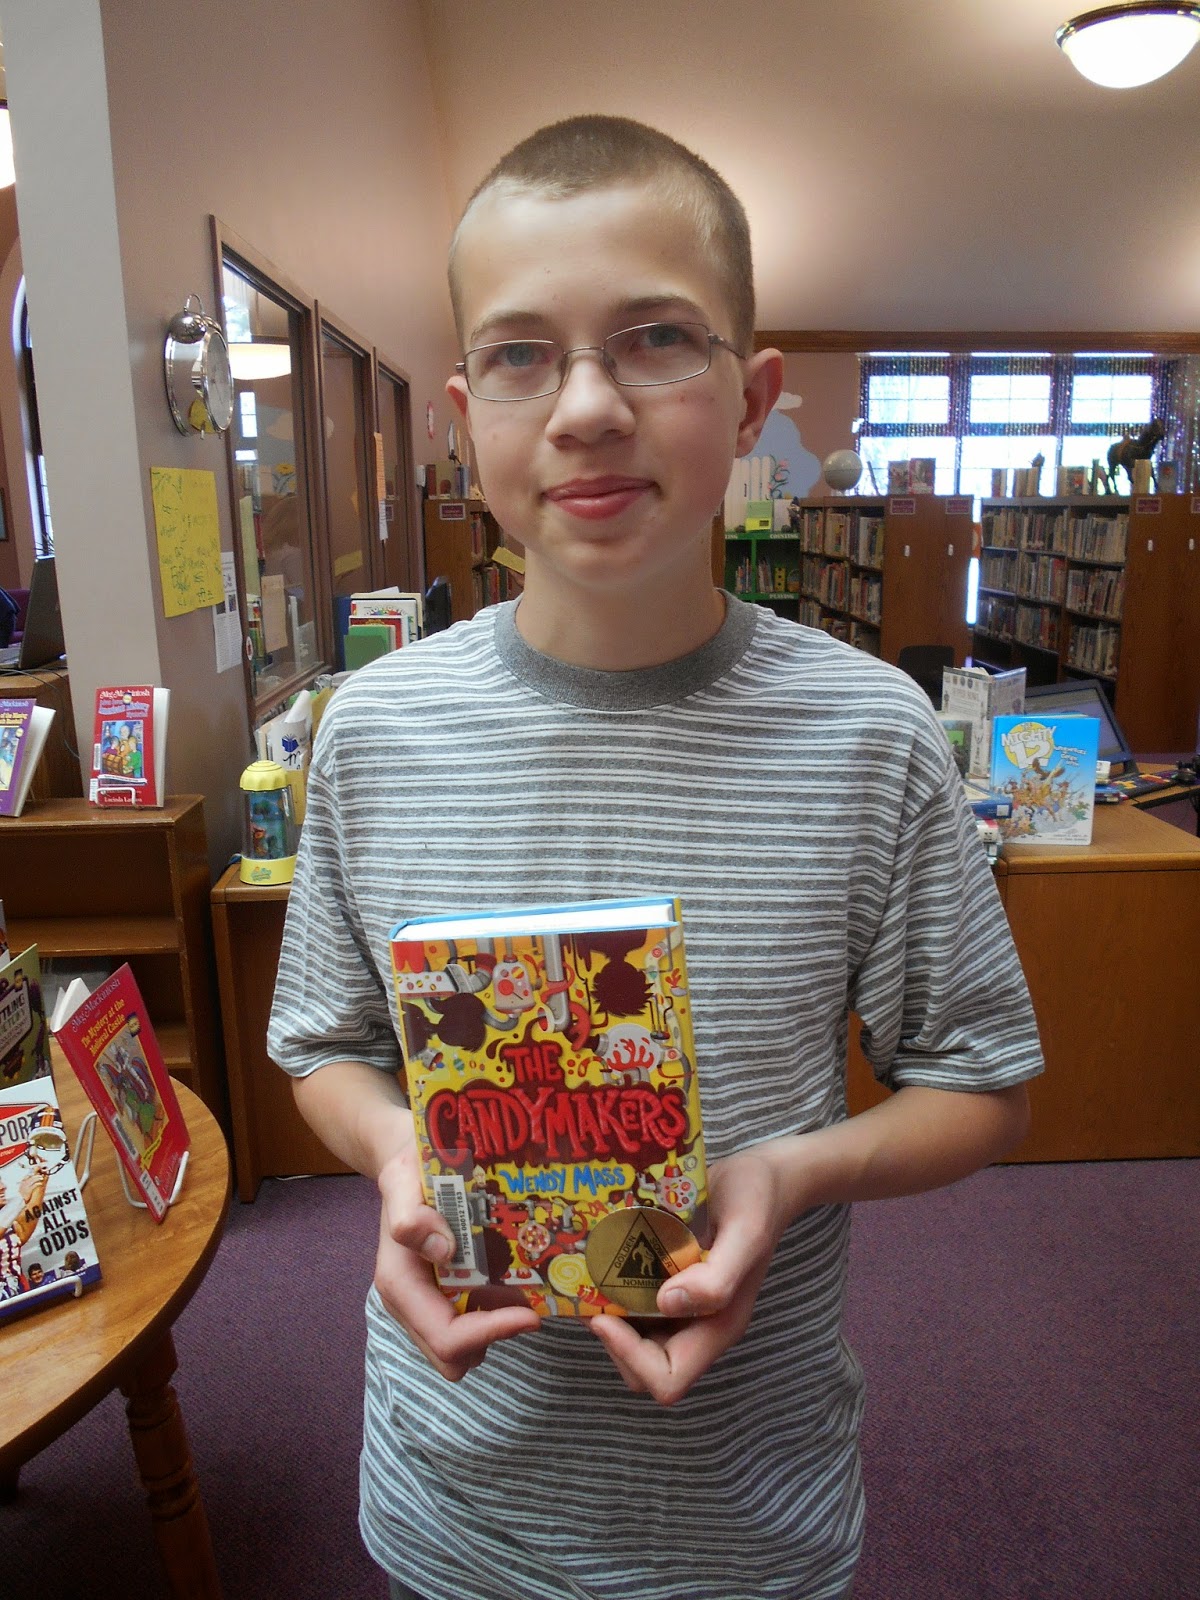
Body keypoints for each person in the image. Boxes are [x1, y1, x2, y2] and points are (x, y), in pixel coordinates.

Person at [268, 115, 1043, 1600]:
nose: (586, 409)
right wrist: (396, 1152)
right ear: (464, 413)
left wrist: (789, 1175)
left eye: (655, 340)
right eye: (520, 355)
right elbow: (324, 1045)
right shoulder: (370, 729)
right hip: (452, 1495)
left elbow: (981, 1081)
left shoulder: (870, 734)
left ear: (751, 401)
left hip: (747, 1511)